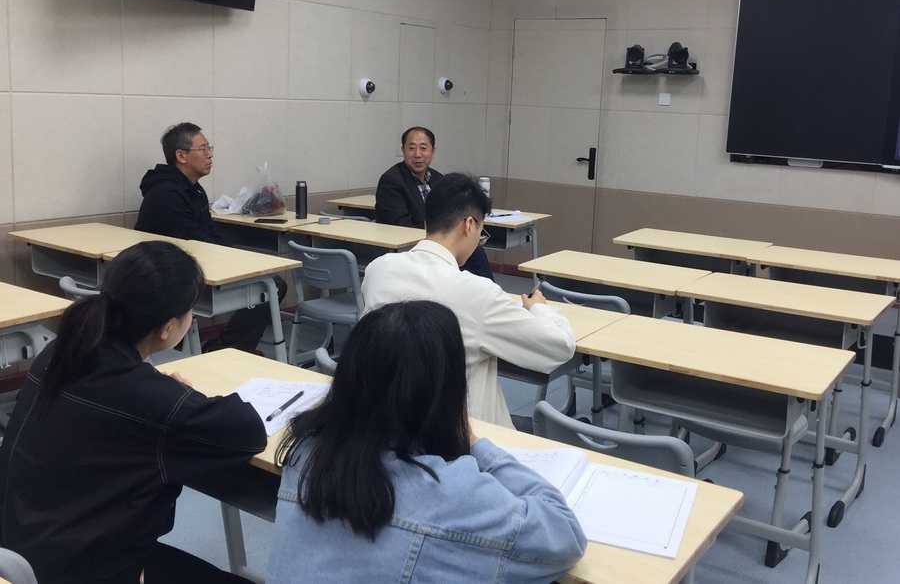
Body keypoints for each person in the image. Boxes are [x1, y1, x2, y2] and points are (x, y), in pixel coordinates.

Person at [0, 241, 267, 584]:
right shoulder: (149, 398)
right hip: (83, 568)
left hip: (25, 549)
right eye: (190, 312)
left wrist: (160, 389)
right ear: (167, 327)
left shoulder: (59, 353)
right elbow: (248, 431)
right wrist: (176, 394)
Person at [267, 301, 586, 583]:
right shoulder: (451, 491)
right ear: (446, 392)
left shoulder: (305, 452)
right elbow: (565, 535)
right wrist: (477, 445)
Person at [362, 173, 576, 427]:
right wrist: (539, 308)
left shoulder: (378, 269)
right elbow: (560, 346)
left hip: (385, 421)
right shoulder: (478, 293)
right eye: (481, 232)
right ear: (469, 225)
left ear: (427, 222)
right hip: (459, 432)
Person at [135, 122, 286, 353]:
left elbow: (210, 231)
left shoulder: (193, 188)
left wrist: (237, 256)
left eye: (210, 148)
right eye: (203, 149)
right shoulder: (166, 193)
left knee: (269, 280)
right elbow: (195, 240)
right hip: (167, 272)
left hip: (187, 262)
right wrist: (233, 260)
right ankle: (228, 350)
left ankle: (228, 348)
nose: (210, 155)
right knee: (272, 285)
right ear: (181, 156)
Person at [375, 125, 494, 280]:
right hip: (412, 245)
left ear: (433, 151)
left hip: (440, 240)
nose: (418, 154)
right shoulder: (392, 180)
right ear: (403, 150)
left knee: (475, 251)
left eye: (423, 148)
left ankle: (485, 289)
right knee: (474, 256)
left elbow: (452, 215)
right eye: (412, 148)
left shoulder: (439, 179)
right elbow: (400, 226)